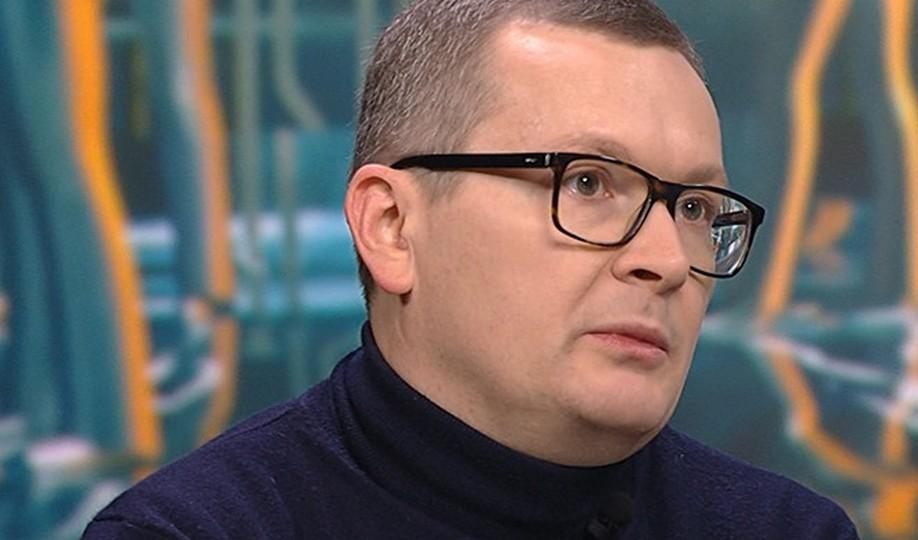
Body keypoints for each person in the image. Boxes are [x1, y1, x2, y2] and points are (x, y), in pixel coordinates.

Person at [85, 0, 858, 538]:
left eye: (693, 207)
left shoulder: (788, 530)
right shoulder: (192, 531)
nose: (664, 263)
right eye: (588, 183)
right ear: (391, 227)